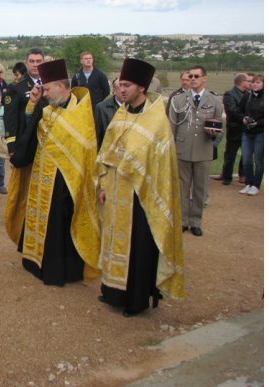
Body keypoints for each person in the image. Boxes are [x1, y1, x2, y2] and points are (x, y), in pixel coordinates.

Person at [96, 58, 185, 317]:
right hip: (115, 191)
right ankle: (112, 291)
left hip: (141, 196)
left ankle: (135, 301)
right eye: (119, 85)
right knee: (114, 241)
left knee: (137, 246)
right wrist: (103, 184)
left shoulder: (156, 120)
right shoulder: (121, 114)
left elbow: (159, 164)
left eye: (127, 85)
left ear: (141, 88)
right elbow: (106, 153)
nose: (121, 90)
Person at [11, 59, 101, 286]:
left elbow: (86, 149)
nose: (46, 94)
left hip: (65, 182)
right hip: (41, 175)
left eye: (48, 89)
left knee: (59, 224)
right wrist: (32, 104)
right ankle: (35, 261)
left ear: (62, 87)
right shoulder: (47, 109)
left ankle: (59, 270)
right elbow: (29, 132)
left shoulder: (81, 112)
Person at [168, 65, 223, 237]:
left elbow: (219, 125)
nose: (192, 79)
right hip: (182, 148)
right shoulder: (179, 99)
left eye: (196, 76)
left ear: (204, 78)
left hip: (203, 148)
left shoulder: (214, 100)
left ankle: (196, 221)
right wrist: (172, 148)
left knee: (200, 188)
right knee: (182, 187)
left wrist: (214, 136)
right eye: (190, 76)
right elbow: (172, 126)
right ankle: (183, 220)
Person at [3, 49, 43, 245]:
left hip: (45, 146)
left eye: (39, 61)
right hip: (25, 145)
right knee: (25, 192)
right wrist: (12, 148)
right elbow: (10, 121)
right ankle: (24, 233)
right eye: (32, 61)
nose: (35, 64)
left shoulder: (51, 84)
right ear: (26, 63)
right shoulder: (16, 88)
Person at [215, 73, 252, 185]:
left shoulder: (249, 94)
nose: (250, 83)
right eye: (248, 81)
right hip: (235, 128)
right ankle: (226, 177)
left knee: (247, 154)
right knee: (230, 154)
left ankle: (243, 175)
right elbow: (231, 110)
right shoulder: (229, 94)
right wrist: (244, 118)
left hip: (247, 129)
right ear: (242, 82)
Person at [238, 74, 264, 196]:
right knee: (246, 160)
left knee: (258, 160)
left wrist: (257, 123)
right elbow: (239, 111)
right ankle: (248, 183)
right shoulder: (247, 96)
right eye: (253, 82)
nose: (254, 84)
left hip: (261, 132)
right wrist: (243, 118)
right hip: (247, 132)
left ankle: (256, 185)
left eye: (258, 82)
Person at [94, 78, 125, 148]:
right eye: (120, 87)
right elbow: (97, 135)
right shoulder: (101, 108)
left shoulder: (134, 107)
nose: (123, 91)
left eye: (126, 87)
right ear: (114, 90)